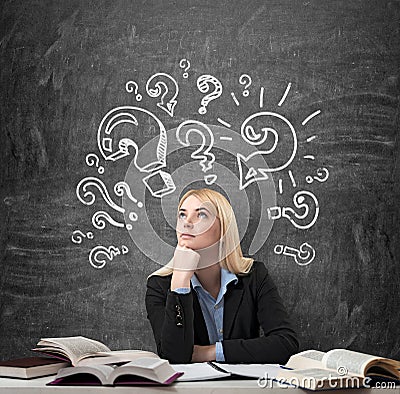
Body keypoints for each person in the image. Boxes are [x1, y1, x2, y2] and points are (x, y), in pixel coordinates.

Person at [145, 188, 299, 364]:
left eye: (201, 215)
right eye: (182, 215)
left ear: (223, 228)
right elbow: (174, 356)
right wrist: (180, 282)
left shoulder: (254, 276)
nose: (187, 223)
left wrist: (211, 352)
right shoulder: (159, 286)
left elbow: (286, 343)